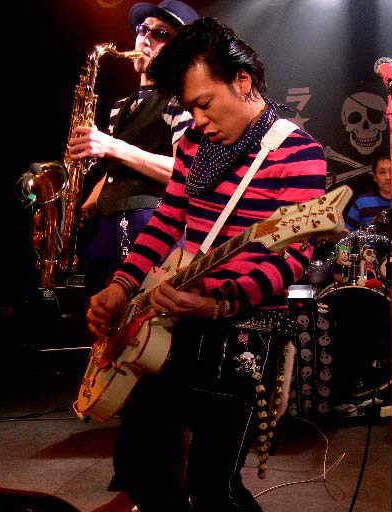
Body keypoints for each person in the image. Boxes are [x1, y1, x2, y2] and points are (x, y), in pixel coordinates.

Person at [86, 17, 326, 512]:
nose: (197, 120)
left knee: (215, 488)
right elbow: (167, 220)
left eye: (204, 103)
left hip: (245, 331)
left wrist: (221, 303)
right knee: (142, 468)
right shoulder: (196, 146)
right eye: (190, 107)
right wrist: (121, 285)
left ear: (242, 81)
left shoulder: (297, 152)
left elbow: (294, 256)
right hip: (175, 320)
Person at [68, 0, 198, 296]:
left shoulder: (183, 100)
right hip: (108, 226)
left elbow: (185, 173)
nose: (145, 38)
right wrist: (83, 208)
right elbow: (117, 170)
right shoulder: (121, 107)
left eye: (161, 34)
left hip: (152, 225)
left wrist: (112, 145)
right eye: (143, 29)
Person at [345, 153, 392, 231]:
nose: (388, 177)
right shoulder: (362, 203)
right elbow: (348, 234)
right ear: (375, 177)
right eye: (382, 172)